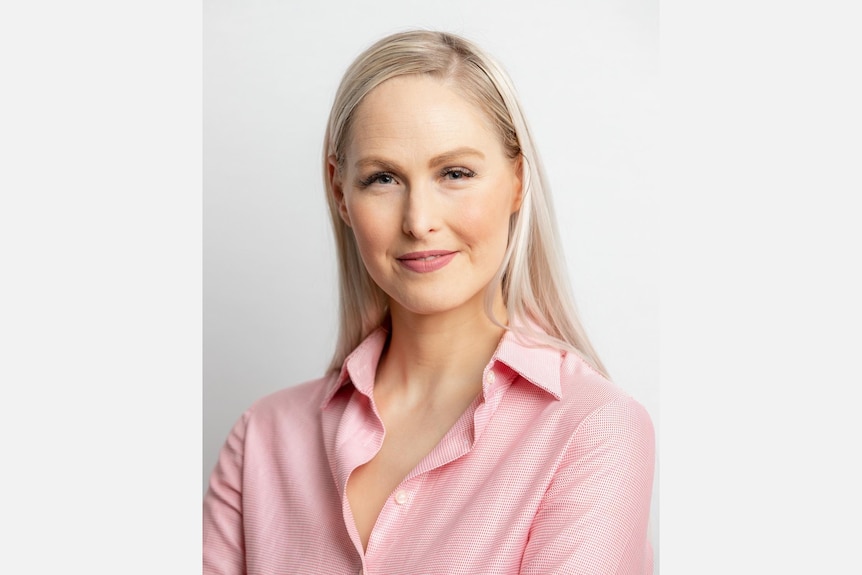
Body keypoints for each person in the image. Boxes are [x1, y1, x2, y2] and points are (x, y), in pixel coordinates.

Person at [203, 30, 655, 574]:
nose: (419, 221)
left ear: (516, 181)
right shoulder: (264, 437)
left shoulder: (593, 430)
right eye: (383, 178)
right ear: (340, 193)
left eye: (455, 174)